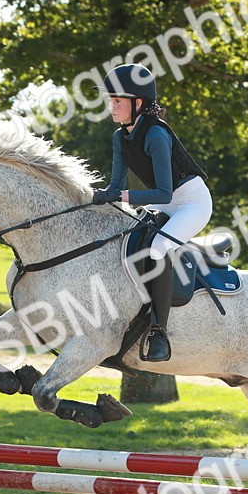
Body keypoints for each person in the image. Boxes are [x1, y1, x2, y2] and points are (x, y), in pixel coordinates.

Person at [91, 64, 212, 362]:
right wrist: (99, 197)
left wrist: (120, 195)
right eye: (111, 100)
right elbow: (117, 186)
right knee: (125, 238)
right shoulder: (120, 137)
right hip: (163, 201)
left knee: (158, 248)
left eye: (118, 101)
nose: (112, 106)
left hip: (190, 203)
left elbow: (163, 193)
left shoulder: (156, 134)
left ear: (138, 103)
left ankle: (159, 332)